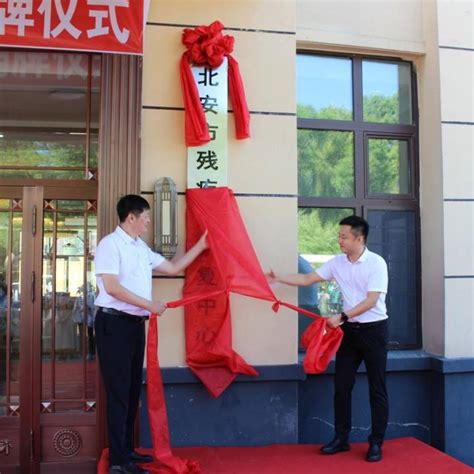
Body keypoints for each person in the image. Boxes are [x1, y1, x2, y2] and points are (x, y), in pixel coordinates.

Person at [94, 194, 208, 474]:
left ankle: (127, 451)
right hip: (114, 325)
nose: (147, 222)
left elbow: (172, 268)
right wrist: (150, 306)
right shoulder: (110, 245)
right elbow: (112, 288)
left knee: (133, 390)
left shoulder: (140, 247)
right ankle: (119, 461)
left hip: (134, 325)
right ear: (130, 217)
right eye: (145, 217)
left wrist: (202, 246)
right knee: (119, 392)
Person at [267, 215, 389, 462]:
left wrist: (342, 316)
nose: (339, 240)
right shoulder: (337, 263)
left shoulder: (376, 263)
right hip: (349, 333)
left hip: (374, 331)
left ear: (359, 237)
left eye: (344, 236)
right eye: (339, 236)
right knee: (342, 386)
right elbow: (307, 279)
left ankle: (376, 443)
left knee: (377, 389)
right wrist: (277, 277)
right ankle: (341, 439)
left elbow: (371, 301)